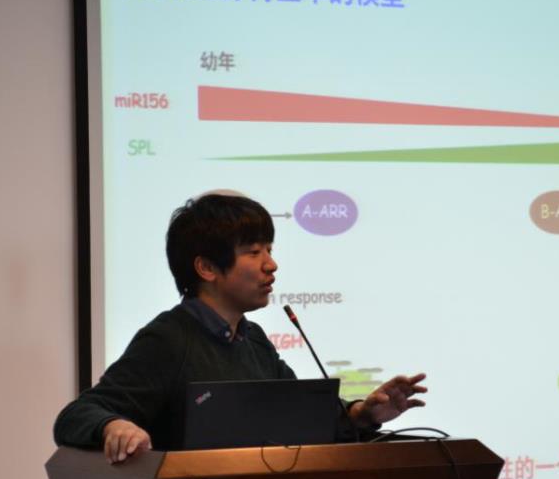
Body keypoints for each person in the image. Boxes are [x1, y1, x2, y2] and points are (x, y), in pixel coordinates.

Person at [54, 192, 426, 463]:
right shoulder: (169, 339)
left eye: (270, 250)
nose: (271, 265)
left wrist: (364, 413)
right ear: (206, 268)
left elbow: (304, 416)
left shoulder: (253, 340)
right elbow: (78, 414)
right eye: (254, 252)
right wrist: (114, 426)